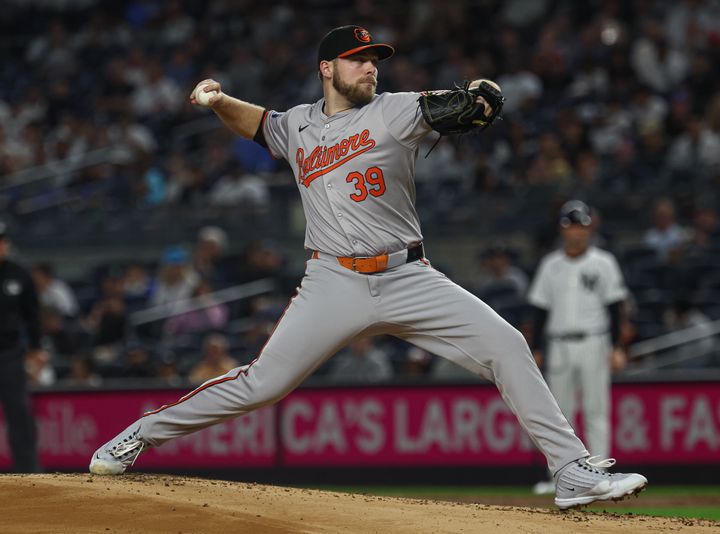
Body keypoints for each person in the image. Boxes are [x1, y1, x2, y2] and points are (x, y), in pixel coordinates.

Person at [89, 25, 646, 509]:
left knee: (505, 344)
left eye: (375, 60)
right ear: (327, 68)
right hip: (332, 280)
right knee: (262, 385)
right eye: (360, 60)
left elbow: (449, 104)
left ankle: (570, 470)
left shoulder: (396, 109)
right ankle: (140, 433)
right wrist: (218, 101)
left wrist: (477, 98)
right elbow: (261, 125)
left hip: (408, 275)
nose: (371, 68)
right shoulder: (300, 125)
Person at [527, 201, 629, 494]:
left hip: (594, 341)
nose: (577, 232)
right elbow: (538, 311)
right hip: (559, 343)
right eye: (571, 225)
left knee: (596, 410)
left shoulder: (604, 262)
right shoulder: (551, 265)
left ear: (589, 227)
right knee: (560, 414)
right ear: (562, 229)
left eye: (581, 225)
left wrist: (618, 347)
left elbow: (615, 308)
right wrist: (535, 346)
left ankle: (599, 475)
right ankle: (559, 478)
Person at [0, 222, 42, 472]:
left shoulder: (19, 274)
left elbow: (32, 315)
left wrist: (37, 349)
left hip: (9, 355)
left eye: (2, 240)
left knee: (19, 414)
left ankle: (28, 472)